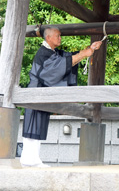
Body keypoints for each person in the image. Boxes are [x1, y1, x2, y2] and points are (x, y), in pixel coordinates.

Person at [20, 26, 102, 167]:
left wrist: (90, 49)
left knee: (39, 125)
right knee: (33, 124)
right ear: (48, 38)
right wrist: (83, 54)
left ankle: (32, 159)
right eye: (57, 36)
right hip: (35, 93)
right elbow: (60, 67)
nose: (60, 38)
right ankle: (28, 159)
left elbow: (69, 59)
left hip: (42, 94)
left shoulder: (53, 52)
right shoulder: (43, 53)